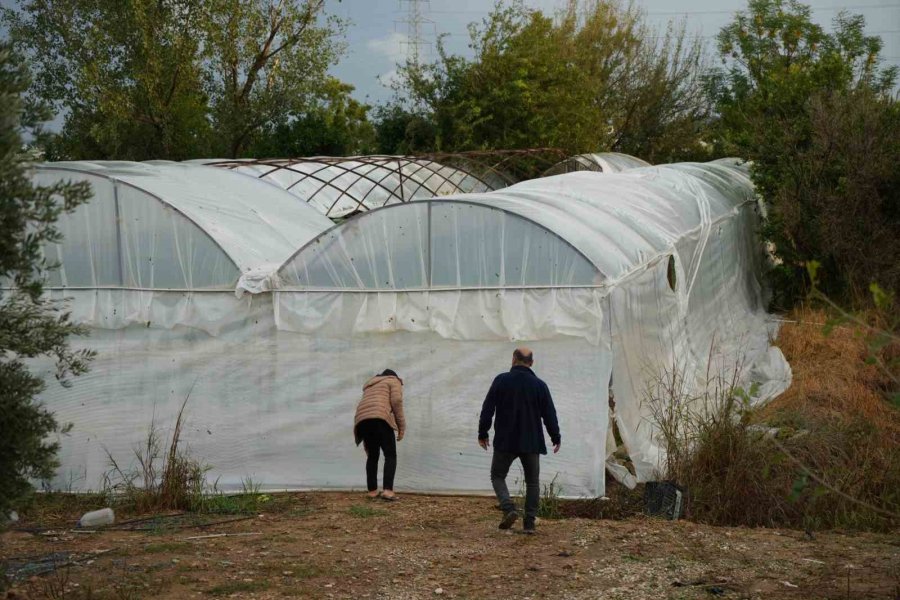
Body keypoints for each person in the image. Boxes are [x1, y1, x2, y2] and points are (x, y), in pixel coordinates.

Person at [478, 347, 561, 534]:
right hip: (531, 441)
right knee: (532, 482)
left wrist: (483, 433)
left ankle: (508, 509)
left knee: (497, 476)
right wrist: (555, 436)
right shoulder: (540, 385)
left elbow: (487, 408)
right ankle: (529, 524)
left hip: (505, 440)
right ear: (531, 362)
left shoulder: (501, 380)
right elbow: (550, 414)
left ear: (513, 359)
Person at [354, 369, 406, 501]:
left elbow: (367, 410)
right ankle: (388, 491)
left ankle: (372, 491)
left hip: (362, 419)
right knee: (390, 455)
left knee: (372, 456)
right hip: (380, 417)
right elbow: (397, 401)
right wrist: (401, 427)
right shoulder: (393, 380)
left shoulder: (370, 385)